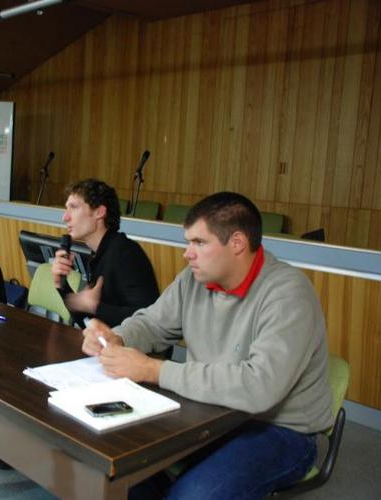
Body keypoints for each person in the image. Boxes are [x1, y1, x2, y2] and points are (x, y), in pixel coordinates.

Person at [83, 191, 333, 499]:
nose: (188, 253)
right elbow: (153, 323)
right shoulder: (194, 279)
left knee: (194, 494)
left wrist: (153, 370)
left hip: (280, 429)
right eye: (188, 242)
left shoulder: (288, 294)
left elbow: (259, 388)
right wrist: (118, 336)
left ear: (237, 243)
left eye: (199, 243)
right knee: (115, 464)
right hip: (210, 412)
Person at [53, 178, 159, 328]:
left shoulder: (126, 253)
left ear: (99, 212)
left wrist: (95, 306)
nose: (65, 217)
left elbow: (150, 320)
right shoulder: (100, 253)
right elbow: (88, 322)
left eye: (74, 207)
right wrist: (61, 285)